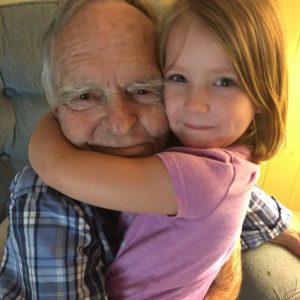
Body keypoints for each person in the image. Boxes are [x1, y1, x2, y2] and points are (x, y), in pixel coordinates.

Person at [0, 0, 297, 299]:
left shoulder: (178, 135)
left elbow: (224, 187)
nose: (121, 123)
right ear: (55, 106)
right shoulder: (47, 205)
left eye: (143, 89)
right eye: (84, 95)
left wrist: (277, 226)